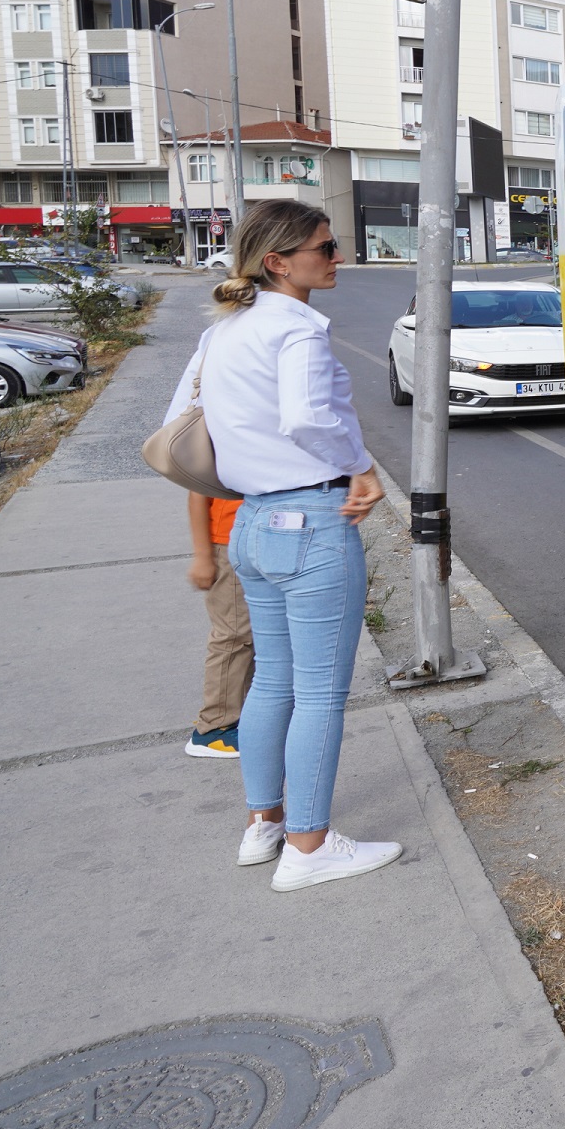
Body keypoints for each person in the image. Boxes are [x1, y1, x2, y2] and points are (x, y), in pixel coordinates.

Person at [165, 198, 392, 892]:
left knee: (273, 681)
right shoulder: (295, 329)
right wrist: (359, 465)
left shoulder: (224, 331)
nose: (337, 258)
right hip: (309, 522)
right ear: (279, 262)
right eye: (325, 249)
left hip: (252, 526)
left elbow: (180, 422)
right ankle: (310, 846)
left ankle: (264, 824)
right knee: (320, 693)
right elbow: (306, 417)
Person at [183, 492, 251, 759]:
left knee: (252, 635)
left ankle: (243, 715)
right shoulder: (216, 447)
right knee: (234, 635)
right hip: (228, 541)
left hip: (253, 535)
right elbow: (197, 492)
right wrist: (202, 556)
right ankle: (214, 728)